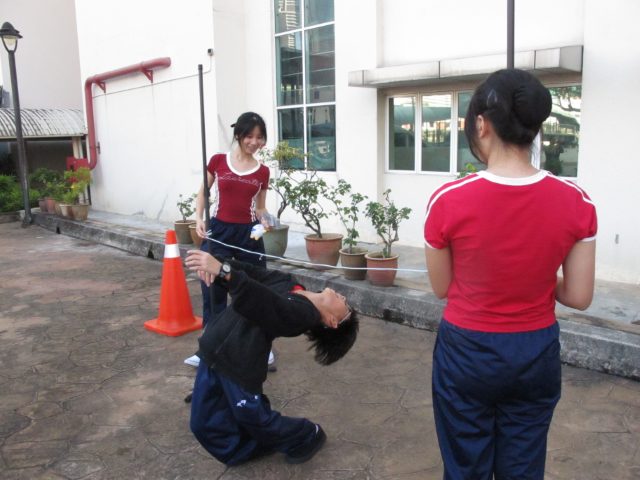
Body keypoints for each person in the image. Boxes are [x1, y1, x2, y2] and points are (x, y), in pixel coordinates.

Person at [423, 69, 597, 480]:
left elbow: (442, 287)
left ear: (481, 124)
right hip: (535, 352)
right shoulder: (577, 201)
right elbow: (578, 296)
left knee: (465, 466)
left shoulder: (447, 200)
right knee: (523, 468)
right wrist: (536, 278)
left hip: (466, 352)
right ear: (534, 128)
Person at [184, 249, 359, 465]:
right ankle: (244, 448)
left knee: (257, 420)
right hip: (212, 353)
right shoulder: (291, 284)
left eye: (346, 307)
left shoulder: (301, 316)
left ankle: (307, 434)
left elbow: (264, 302)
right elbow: (252, 273)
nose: (345, 298)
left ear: (332, 321)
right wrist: (219, 264)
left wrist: (224, 272)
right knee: (201, 425)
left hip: (239, 368)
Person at [184, 112, 275, 369]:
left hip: (248, 235)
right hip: (219, 232)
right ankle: (209, 347)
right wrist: (198, 218)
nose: (254, 142)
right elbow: (203, 192)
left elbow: (260, 208)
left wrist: (267, 221)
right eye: (249, 136)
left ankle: (260, 347)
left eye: (260, 137)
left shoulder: (263, 171)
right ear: (239, 135)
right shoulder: (218, 161)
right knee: (212, 287)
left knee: (253, 289)